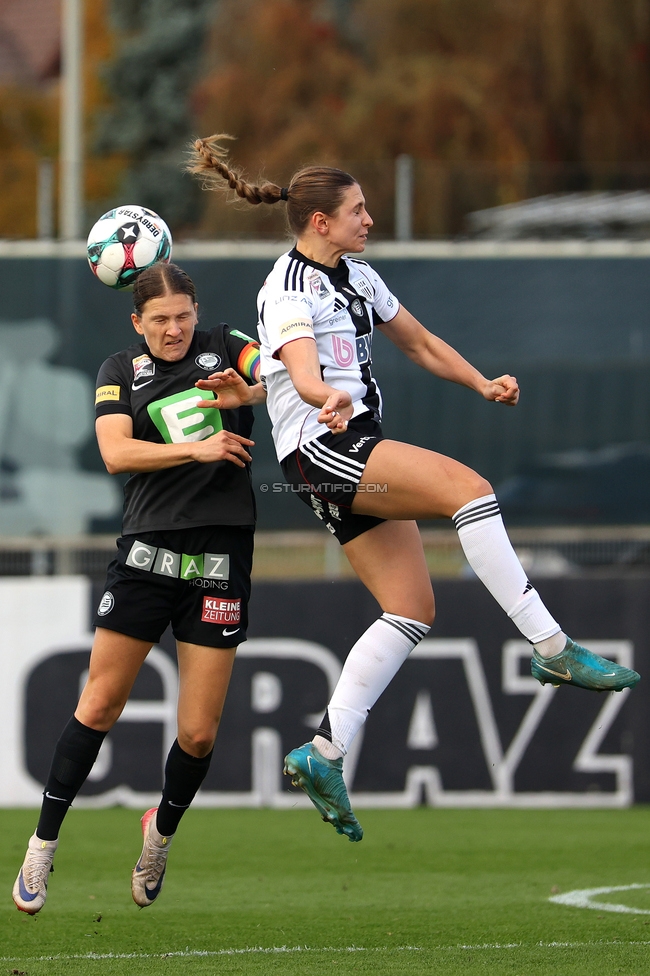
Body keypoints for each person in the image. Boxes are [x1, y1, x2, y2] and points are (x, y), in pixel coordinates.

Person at [188, 137, 640, 843]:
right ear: (319, 223)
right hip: (325, 448)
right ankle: (551, 646)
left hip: (342, 445)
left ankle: (325, 752)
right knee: (470, 489)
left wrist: (481, 381)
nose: (368, 219)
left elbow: (421, 343)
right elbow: (303, 372)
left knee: (410, 607)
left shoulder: (358, 276)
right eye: (357, 210)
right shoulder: (286, 290)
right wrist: (324, 398)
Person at [12, 262, 265, 914]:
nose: (175, 329)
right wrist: (199, 450)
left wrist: (253, 396)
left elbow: (284, 376)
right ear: (137, 323)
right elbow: (116, 454)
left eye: (183, 315)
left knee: (200, 733)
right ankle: (42, 843)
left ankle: (160, 834)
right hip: (147, 558)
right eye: (160, 320)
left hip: (219, 561)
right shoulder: (119, 369)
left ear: (195, 310)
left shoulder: (228, 345)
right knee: (98, 705)